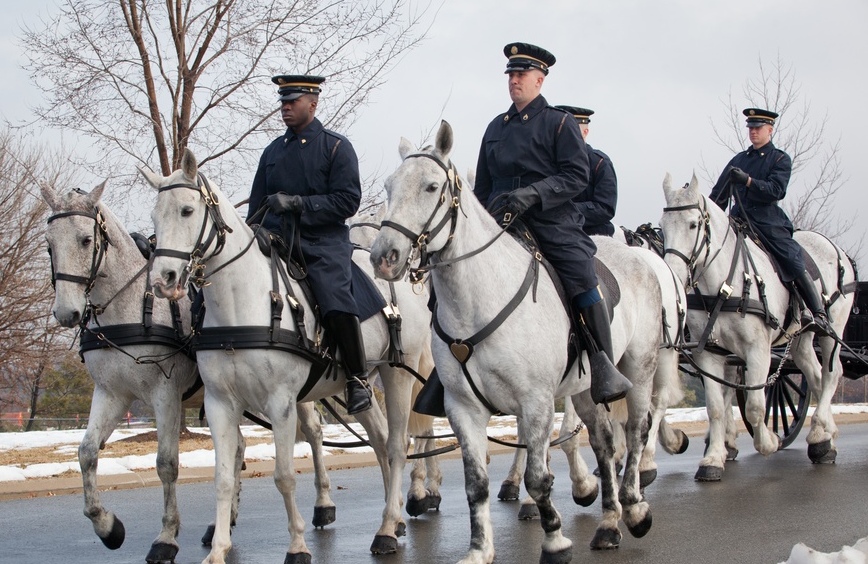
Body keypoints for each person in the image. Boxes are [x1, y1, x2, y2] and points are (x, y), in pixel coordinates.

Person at [415, 43, 632, 416]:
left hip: (552, 223)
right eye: (511, 75)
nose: (514, 80)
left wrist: (533, 194)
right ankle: (446, 373)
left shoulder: (559, 123)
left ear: (539, 79)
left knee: (582, 279)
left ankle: (602, 365)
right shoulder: (495, 127)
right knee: (447, 282)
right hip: (500, 224)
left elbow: (576, 177)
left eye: (522, 74)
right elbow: (481, 188)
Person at [246, 75, 374, 413]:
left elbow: (348, 202)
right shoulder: (272, 151)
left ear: (313, 104)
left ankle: (357, 378)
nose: (285, 107)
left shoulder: (335, 146)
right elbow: (256, 206)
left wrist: (300, 204)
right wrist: (253, 231)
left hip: (321, 242)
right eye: (283, 102)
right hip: (275, 240)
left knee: (334, 297)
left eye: (293, 101)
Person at [710, 107, 830, 334]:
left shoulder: (779, 159)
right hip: (738, 219)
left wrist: (747, 182)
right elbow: (719, 197)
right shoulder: (738, 159)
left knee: (791, 257)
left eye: (757, 128)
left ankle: (819, 313)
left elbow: (776, 190)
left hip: (766, 220)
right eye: (750, 128)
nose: (753, 132)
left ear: (770, 130)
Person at [555, 105, 618, 237]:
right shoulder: (548, 162)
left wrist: (565, 211)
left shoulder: (600, 163)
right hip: (554, 232)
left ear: (585, 133)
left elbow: (605, 208)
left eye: (572, 131)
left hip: (593, 235)